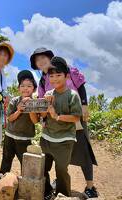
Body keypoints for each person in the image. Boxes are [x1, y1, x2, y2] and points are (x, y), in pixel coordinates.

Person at [30, 48, 98, 198]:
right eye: (37, 60)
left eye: (43, 57)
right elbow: (43, 104)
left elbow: (80, 86)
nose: (41, 61)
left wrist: (85, 105)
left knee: (82, 148)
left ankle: (90, 186)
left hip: (74, 113)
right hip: (54, 124)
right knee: (56, 155)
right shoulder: (42, 80)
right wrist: (44, 117)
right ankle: (58, 181)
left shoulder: (68, 69)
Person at [40, 56, 82, 199]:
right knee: (42, 168)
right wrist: (45, 105)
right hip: (46, 137)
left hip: (65, 139)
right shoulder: (48, 95)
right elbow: (43, 115)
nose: (55, 79)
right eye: (51, 76)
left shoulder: (72, 95)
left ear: (67, 76)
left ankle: (63, 195)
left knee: (62, 170)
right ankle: (45, 192)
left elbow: (76, 117)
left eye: (58, 75)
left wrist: (57, 116)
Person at [0, 70, 38, 174]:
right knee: (6, 158)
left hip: (25, 138)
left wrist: (30, 108)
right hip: (10, 135)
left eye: (29, 86)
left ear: (34, 89)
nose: (25, 88)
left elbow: (35, 121)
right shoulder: (14, 101)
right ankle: (2, 180)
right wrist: (19, 110)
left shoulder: (36, 103)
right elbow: (10, 118)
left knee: (25, 162)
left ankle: (24, 184)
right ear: (18, 88)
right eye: (22, 86)